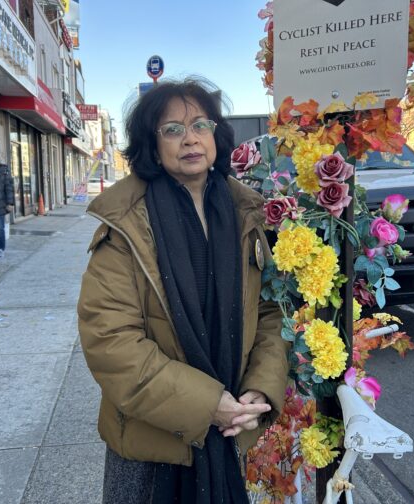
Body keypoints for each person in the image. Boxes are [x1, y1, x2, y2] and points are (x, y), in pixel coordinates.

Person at [78, 78, 289, 504]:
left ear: (217, 134)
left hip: (228, 427)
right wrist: (207, 404)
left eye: (200, 125)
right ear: (152, 146)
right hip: (150, 446)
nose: (189, 138)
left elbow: (269, 311)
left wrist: (260, 389)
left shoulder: (245, 213)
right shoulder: (126, 226)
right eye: (172, 129)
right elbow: (110, 342)